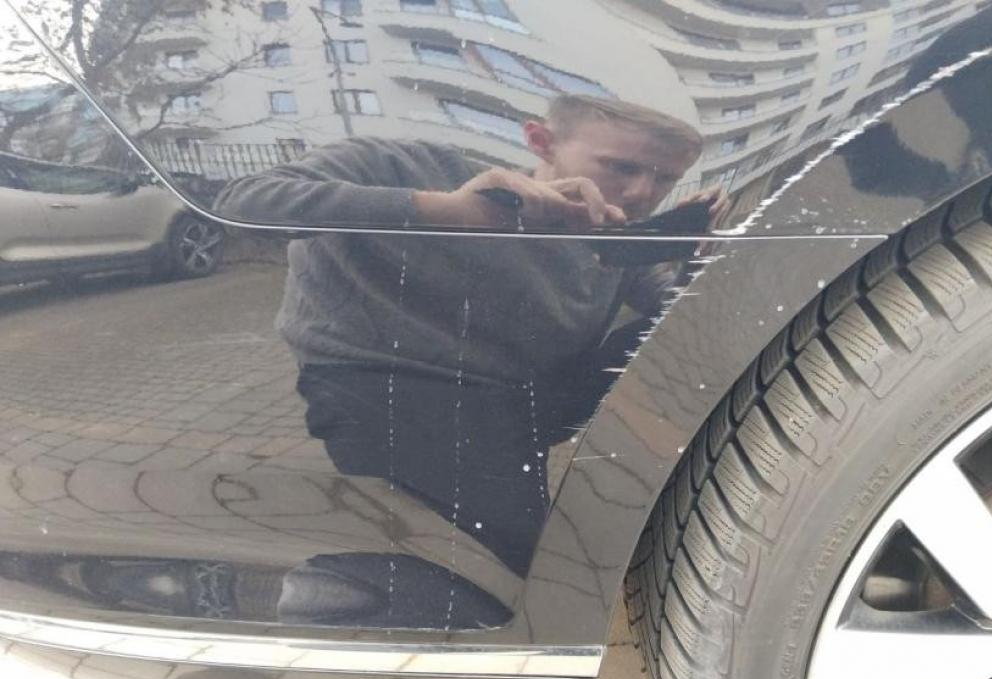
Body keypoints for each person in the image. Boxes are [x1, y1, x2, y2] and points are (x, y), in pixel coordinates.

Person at [214, 94, 723, 580]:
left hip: (523, 401)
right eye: (622, 168)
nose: (642, 193)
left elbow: (671, 316)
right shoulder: (411, 165)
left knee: (679, 330)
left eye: (665, 178)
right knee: (510, 564)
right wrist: (453, 212)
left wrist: (700, 262)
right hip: (396, 383)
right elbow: (242, 204)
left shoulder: (612, 234)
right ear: (541, 142)